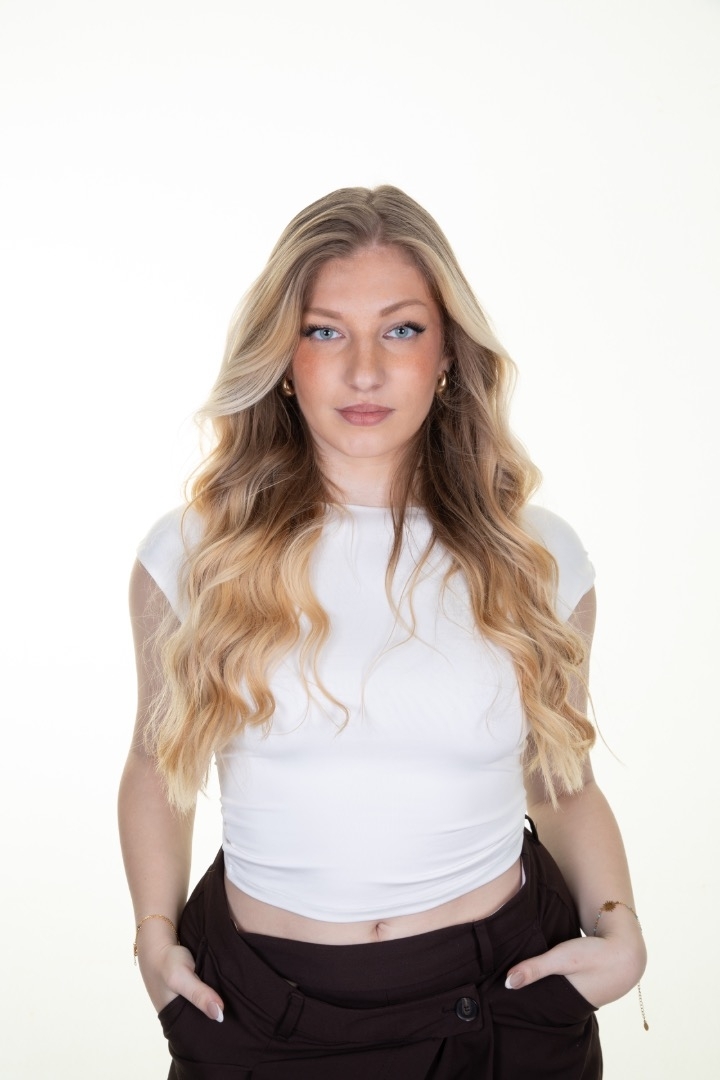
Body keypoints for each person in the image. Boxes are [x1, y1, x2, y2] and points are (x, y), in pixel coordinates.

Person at [118, 185, 647, 1079]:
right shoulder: (195, 554)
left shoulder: (537, 556)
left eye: (401, 329)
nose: (364, 371)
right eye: (325, 331)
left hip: (500, 1003)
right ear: (283, 359)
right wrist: (153, 938)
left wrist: (621, 931)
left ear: (448, 354)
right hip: (257, 1007)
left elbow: (562, 783)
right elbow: (153, 766)